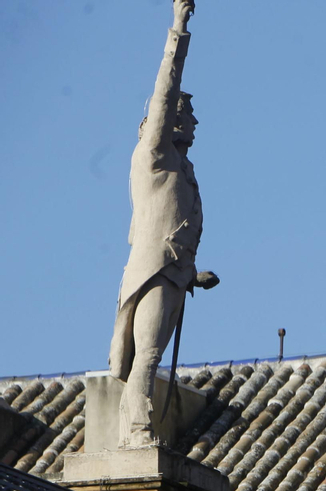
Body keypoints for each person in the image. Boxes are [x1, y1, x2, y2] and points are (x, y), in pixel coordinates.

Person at [107, 0, 219, 448]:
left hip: (174, 274)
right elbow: (165, 88)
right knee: (147, 356)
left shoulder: (183, 170)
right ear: (168, 119)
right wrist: (178, 27)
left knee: (150, 356)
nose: (194, 121)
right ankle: (136, 432)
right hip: (152, 270)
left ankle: (137, 427)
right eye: (187, 113)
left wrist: (193, 272)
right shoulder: (154, 156)